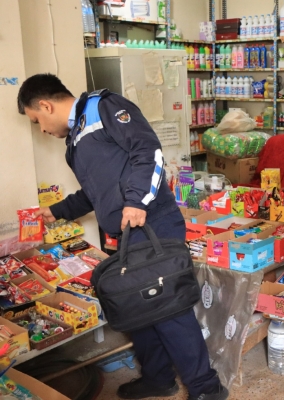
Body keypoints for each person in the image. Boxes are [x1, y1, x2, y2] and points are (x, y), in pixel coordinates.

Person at [17, 74, 228, 400]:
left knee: (170, 312)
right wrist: (57, 210)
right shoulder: (74, 141)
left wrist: (135, 201)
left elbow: (149, 150)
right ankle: (158, 379)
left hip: (153, 223)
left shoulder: (103, 107)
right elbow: (95, 193)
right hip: (128, 235)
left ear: (45, 105)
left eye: (37, 120)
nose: (42, 129)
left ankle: (206, 389)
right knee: (138, 311)